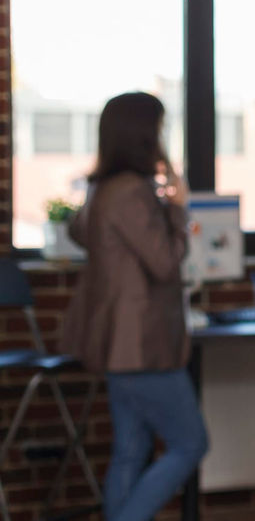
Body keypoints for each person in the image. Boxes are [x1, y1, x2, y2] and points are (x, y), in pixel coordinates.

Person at [63, 92, 209, 521]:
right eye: (160, 128)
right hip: (143, 345)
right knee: (190, 444)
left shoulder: (102, 189)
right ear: (144, 134)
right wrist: (179, 211)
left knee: (131, 449)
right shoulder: (130, 192)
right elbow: (165, 262)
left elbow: (78, 233)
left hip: (116, 344)